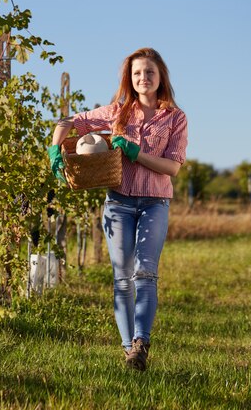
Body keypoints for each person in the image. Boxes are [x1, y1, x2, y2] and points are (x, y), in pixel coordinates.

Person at [47, 47, 188, 371]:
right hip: (119, 203)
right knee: (122, 277)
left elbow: (173, 168)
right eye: (137, 73)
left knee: (146, 273)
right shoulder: (118, 113)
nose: (143, 78)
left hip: (155, 202)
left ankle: (142, 341)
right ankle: (130, 351)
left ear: (160, 76)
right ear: (130, 78)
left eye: (149, 72)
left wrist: (136, 153)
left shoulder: (176, 118)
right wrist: (56, 149)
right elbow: (70, 121)